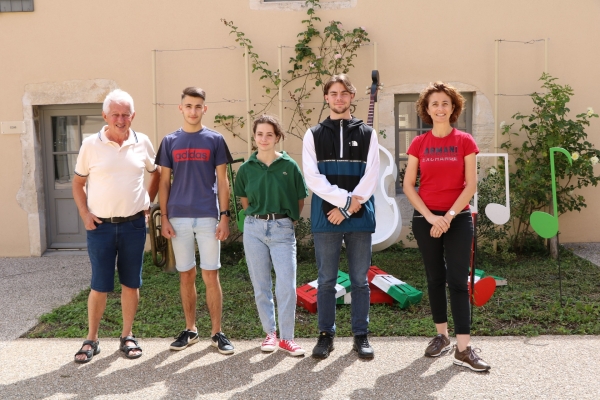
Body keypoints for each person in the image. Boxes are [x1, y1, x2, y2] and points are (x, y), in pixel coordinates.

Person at [403, 81, 491, 372]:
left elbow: (471, 185)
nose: (440, 108)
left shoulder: (465, 141)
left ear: (454, 108)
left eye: (445, 103)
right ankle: (441, 336)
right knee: (434, 278)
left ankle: (463, 349)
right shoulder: (418, 143)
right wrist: (430, 217)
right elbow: (408, 185)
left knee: (458, 280)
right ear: (426, 110)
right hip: (426, 218)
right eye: (434, 104)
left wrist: (449, 216)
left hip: (458, 218)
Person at [72, 89, 160, 363]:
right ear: (105, 116)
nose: (121, 120)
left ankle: (127, 335)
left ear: (132, 115)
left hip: (134, 225)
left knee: (131, 284)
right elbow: (77, 183)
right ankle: (92, 339)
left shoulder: (142, 141)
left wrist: (149, 200)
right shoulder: (90, 145)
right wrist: (85, 214)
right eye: (115, 115)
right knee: (99, 285)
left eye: (126, 114)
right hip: (101, 227)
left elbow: (155, 172)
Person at [302, 74, 380, 359]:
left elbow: (371, 176)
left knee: (360, 279)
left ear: (352, 96)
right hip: (326, 217)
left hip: (358, 216)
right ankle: (325, 335)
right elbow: (313, 178)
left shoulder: (368, 134)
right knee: (326, 280)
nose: (339, 98)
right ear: (326, 98)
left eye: (344, 93)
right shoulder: (313, 134)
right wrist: (345, 201)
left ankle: (361, 335)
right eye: (333, 93)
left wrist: (347, 208)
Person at [156, 87, 235, 355]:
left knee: (210, 275)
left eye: (198, 106)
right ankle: (190, 329)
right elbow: (164, 183)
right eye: (188, 106)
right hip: (177, 218)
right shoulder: (169, 141)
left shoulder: (215, 139)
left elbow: (223, 182)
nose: (193, 111)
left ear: (204, 108)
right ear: (181, 108)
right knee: (186, 274)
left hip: (208, 217)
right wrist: (164, 217)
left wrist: (225, 217)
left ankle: (217, 332)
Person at [235, 115, 309, 356]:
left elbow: (299, 199)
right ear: (254, 137)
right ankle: (270, 333)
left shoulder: (289, 166)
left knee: (286, 284)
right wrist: (257, 219)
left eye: (269, 134)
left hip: (282, 229)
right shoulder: (246, 169)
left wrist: (288, 222)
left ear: (277, 137)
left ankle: (287, 338)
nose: (264, 139)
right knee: (261, 284)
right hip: (254, 229)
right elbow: (244, 201)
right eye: (259, 134)